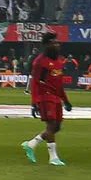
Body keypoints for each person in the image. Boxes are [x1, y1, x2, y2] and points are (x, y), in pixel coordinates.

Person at [23, 33, 71, 166]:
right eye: (53, 43)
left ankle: (31, 144)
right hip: (45, 96)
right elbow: (35, 82)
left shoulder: (59, 61)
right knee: (51, 125)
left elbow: (59, 84)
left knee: (57, 127)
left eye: (57, 42)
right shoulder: (40, 62)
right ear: (46, 45)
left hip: (56, 97)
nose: (56, 45)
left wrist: (65, 100)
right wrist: (34, 103)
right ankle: (53, 157)